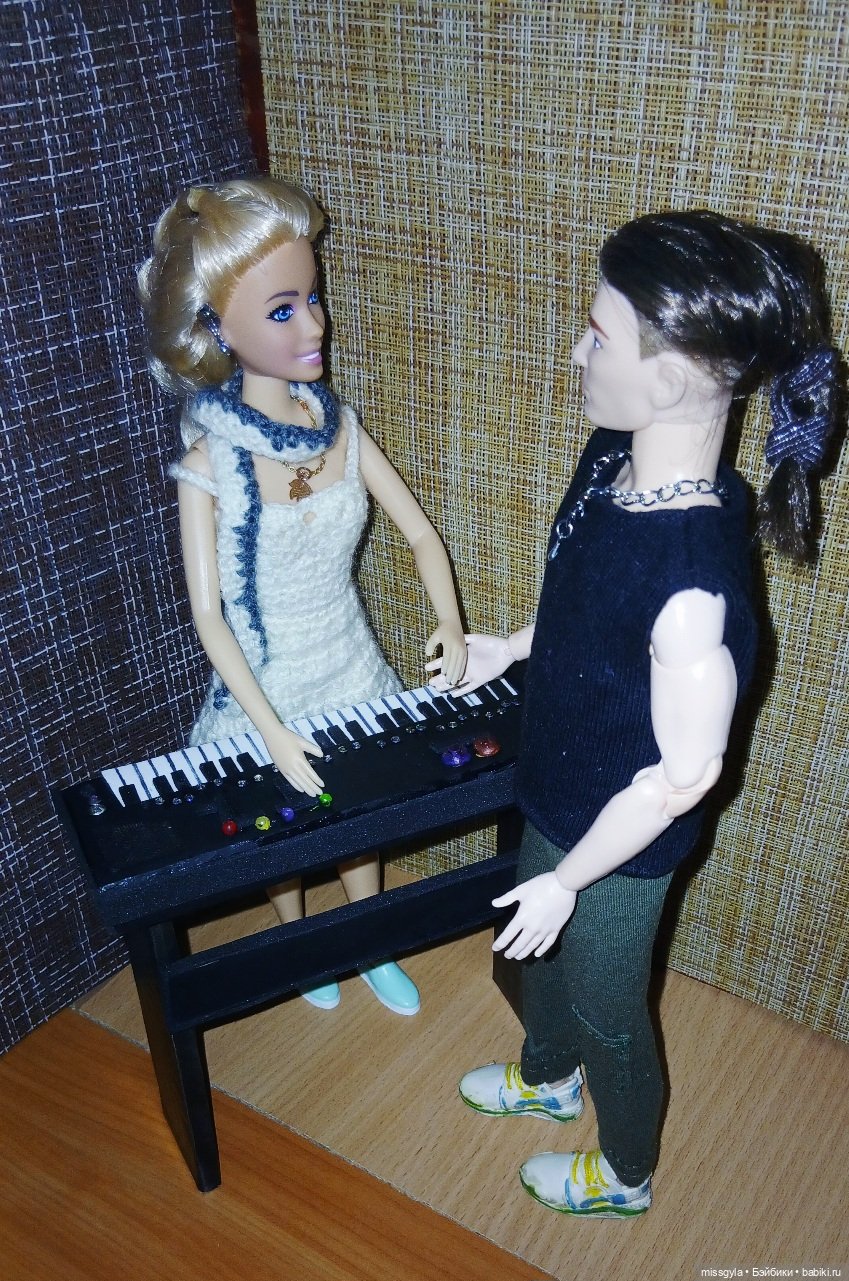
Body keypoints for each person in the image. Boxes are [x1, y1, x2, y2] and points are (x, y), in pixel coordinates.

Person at [452, 211, 841, 1216]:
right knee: (525, 962)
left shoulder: (692, 585)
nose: (576, 352)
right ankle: (549, 1077)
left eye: (597, 335)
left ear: (666, 381)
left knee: (607, 1006)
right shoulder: (608, 462)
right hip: (555, 781)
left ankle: (625, 1172)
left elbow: (681, 779)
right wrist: (514, 647)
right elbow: (582, 598)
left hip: (623, 845)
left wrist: (570, 880)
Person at [138, 175, 466, 1015]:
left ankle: (367, 936)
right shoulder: (210, 464)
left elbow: (420, 533)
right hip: (269, 680)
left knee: (357, 812)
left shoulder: (338, 427)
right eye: (282, 310)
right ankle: (298, 941)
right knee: (280, 824)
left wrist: (449, 622)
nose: (313, 326)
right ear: (217, 326)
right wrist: (270, 728)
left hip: (347, 658)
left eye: (311, 299)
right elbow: (208, 615)